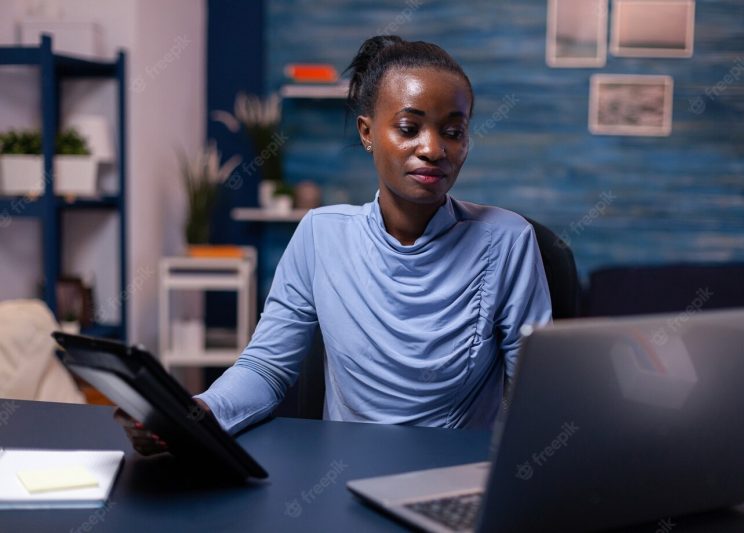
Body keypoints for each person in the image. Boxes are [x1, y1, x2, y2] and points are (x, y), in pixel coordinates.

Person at [118, 35, 552, 455]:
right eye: (409, 127)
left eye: (453, 131)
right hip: (343, 477)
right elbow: (266, 369)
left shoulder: (508, 241)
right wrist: (196, 415)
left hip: (453, 486)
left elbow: (535, 398)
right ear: (367, 132)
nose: (433, 149)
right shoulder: (320, 235)